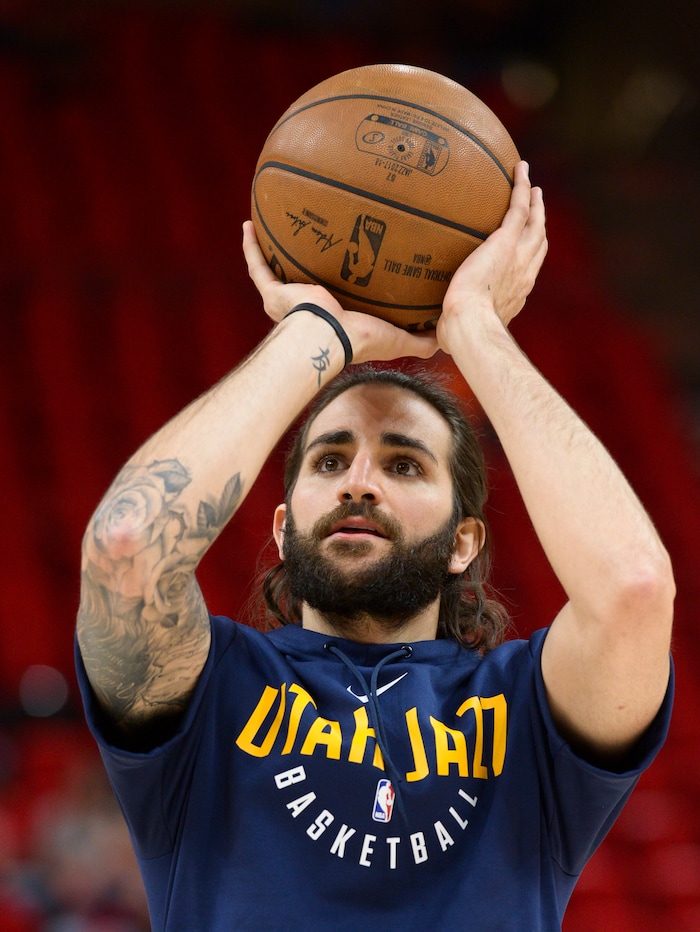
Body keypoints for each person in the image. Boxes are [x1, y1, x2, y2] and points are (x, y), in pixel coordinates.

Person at [75, 162, 674, 931]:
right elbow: (128, 545)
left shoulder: (525, 709)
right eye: (329, 460)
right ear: (284, 527)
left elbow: (632, 587)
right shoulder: (213, 691)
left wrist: (476, 330)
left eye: (403, 463)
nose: (360, 482)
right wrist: (321, 336)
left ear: (464, 543)